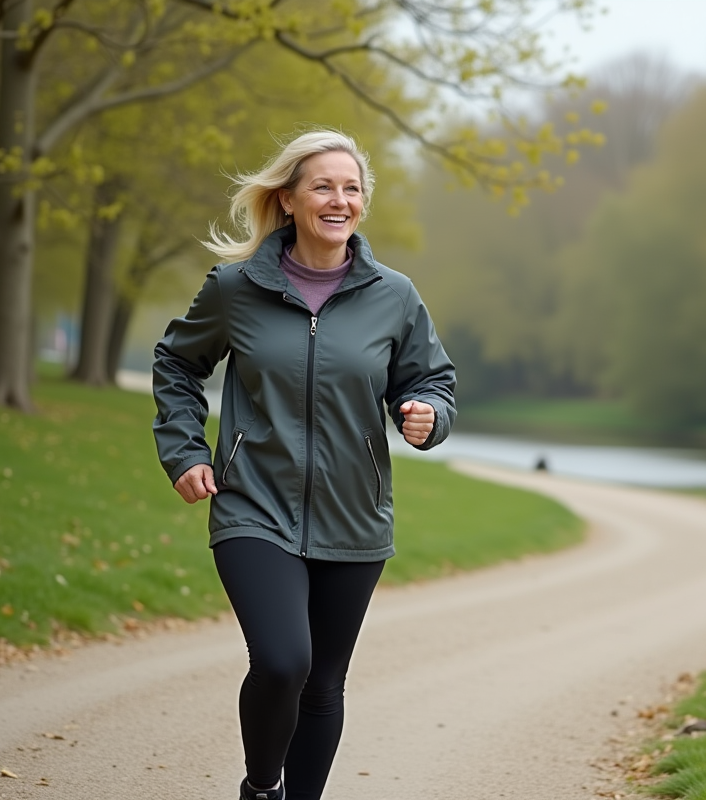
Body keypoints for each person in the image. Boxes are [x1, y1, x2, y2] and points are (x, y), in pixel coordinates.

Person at [151, 128, 455, 800]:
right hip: (253, 504)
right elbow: (176, 362)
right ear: (288, 200)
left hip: (354, 515)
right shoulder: (236, 289)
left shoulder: (394, 296)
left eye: (351, 188)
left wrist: (427, 414)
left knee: (323, 683)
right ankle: (263, 788)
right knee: (285, 661)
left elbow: (432, 381)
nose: (339, 199)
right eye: (323, 185)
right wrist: (183, 450)